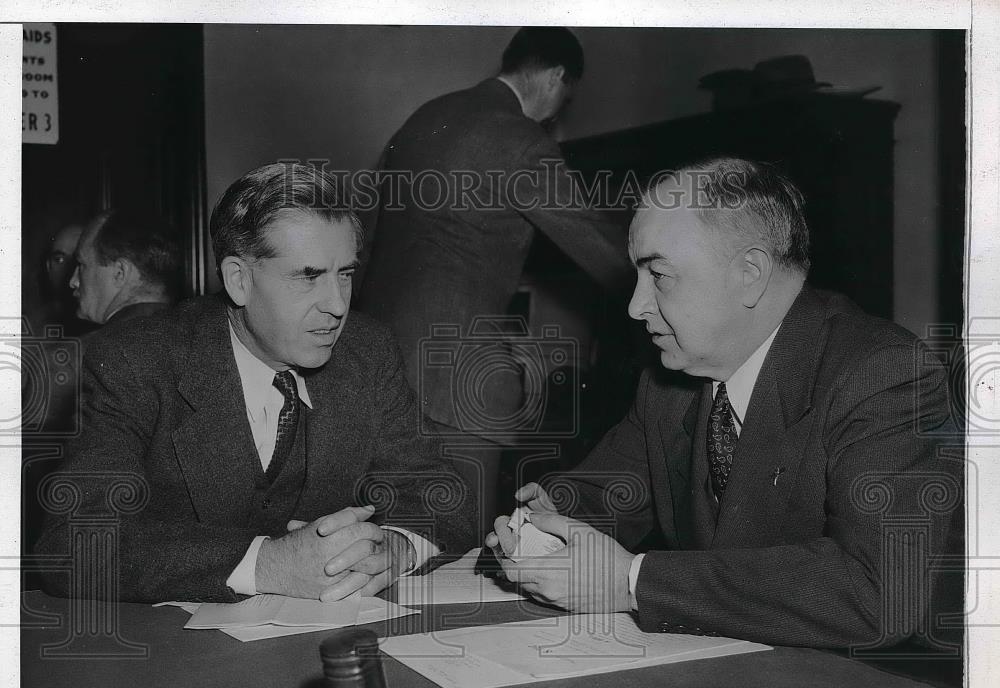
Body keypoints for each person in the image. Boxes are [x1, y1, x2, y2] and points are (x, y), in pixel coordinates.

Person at [486, 158, 961, 648]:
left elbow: (876, 592)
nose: (635, 306)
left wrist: (632, 581)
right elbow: (610, 494)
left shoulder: (883, 373)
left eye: (660, 276)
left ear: (749, 274)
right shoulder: (670, 383)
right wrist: (549, 525)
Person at [35, 163, 475, 603]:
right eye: (308, 276)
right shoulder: (137, 360)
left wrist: (397, 548)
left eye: (345, 273)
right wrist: (267, 564)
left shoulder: (367, 350)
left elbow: (444, 498)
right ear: (238, 280)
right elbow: (72, 540)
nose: (338, 304)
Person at [358, 27, 632, 532]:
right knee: (455, 548)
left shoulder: (424, 118)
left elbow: (366, 238)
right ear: (555, 78)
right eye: (564, 97)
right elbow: (604, 253)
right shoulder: (522, 140)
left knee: (388, 544)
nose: (558, 111)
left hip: (374, 369)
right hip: (457, 379)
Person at [70, 209, 182, 328]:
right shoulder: (197, 338)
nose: (73, 282)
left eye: (81, 265)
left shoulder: (83, 346)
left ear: (120, 273)